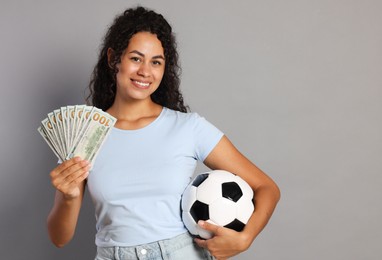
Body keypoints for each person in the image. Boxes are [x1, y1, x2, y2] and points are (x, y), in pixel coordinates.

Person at [47, 6, 280, 260]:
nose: (145, 71)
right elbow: (60, 238)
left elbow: (266, 187)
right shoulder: (84, 135)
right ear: (114, 58)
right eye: (136, 58)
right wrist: (69, 197)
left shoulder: (189, 128)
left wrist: (245, 238)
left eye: (155, 62)